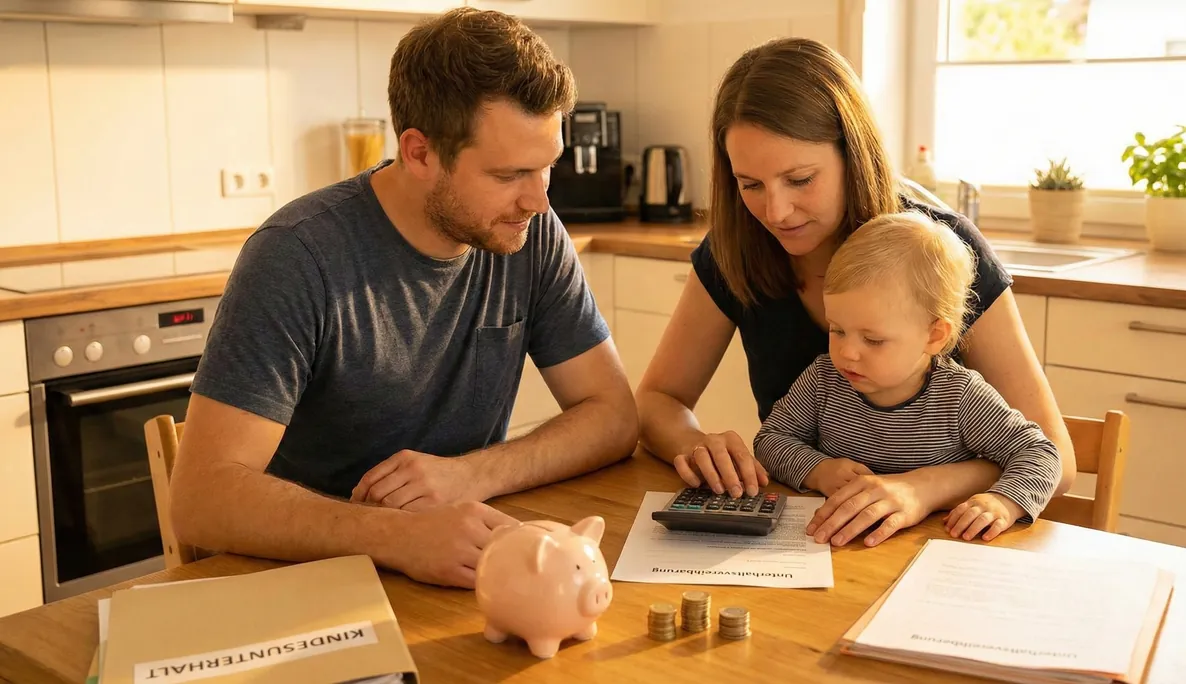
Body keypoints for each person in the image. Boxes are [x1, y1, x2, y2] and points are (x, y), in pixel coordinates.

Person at [169, 7, 639, 589]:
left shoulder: (530, 233)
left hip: (449, 569)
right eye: (508, 174)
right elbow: (201, 499)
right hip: (307, 582)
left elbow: (614, 416)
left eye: (547, 167)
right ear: (419, 153)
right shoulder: (297, 256)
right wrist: (394, 536)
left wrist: (470, 476)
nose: (538, 200)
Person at [635, 37, 1076, 548]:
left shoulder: (938, 251)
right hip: (809, 541)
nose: (775, 212)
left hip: (935, 546)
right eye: (750, 184)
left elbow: (1056, 458)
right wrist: (694, 442)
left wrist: (923, 488)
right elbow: (655, 402)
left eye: (800, 179)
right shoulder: (738, 247)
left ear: (853, 154)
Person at [754, 212, 1062, 547]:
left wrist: (1004, 501)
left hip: (930, 552)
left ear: (934, 336)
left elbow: (1040, 453)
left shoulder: (960, 396)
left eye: (873, 340)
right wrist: (818, 469)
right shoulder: (823, 380)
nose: (847, 353)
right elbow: (770, 439)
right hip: (839, 550)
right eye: (837, 330)